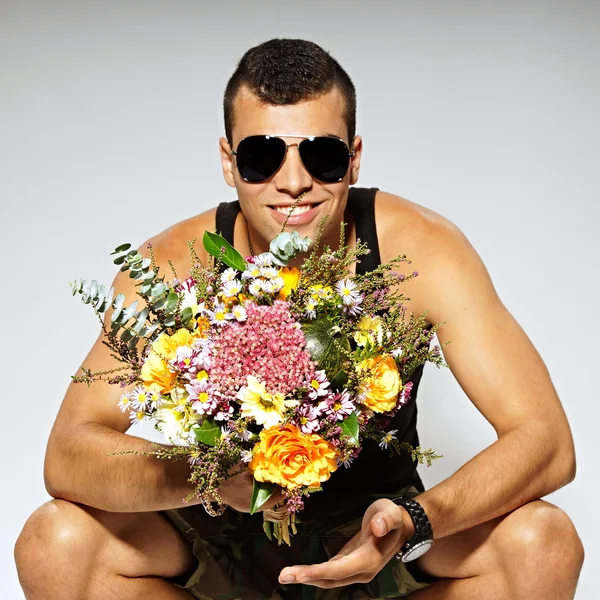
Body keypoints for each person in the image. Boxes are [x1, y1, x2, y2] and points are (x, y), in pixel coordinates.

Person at [15, 38, 583, 600]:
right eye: (263, 156)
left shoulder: (421, 251)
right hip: (222, 538)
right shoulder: (174, 264)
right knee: (56, 542)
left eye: (323, 155)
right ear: (227, 160)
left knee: (542, 542)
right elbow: (68, 455)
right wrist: (213, 478)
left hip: (373, 533)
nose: (293, 182)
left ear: (354, 158)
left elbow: (546, 441)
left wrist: (414, 519)